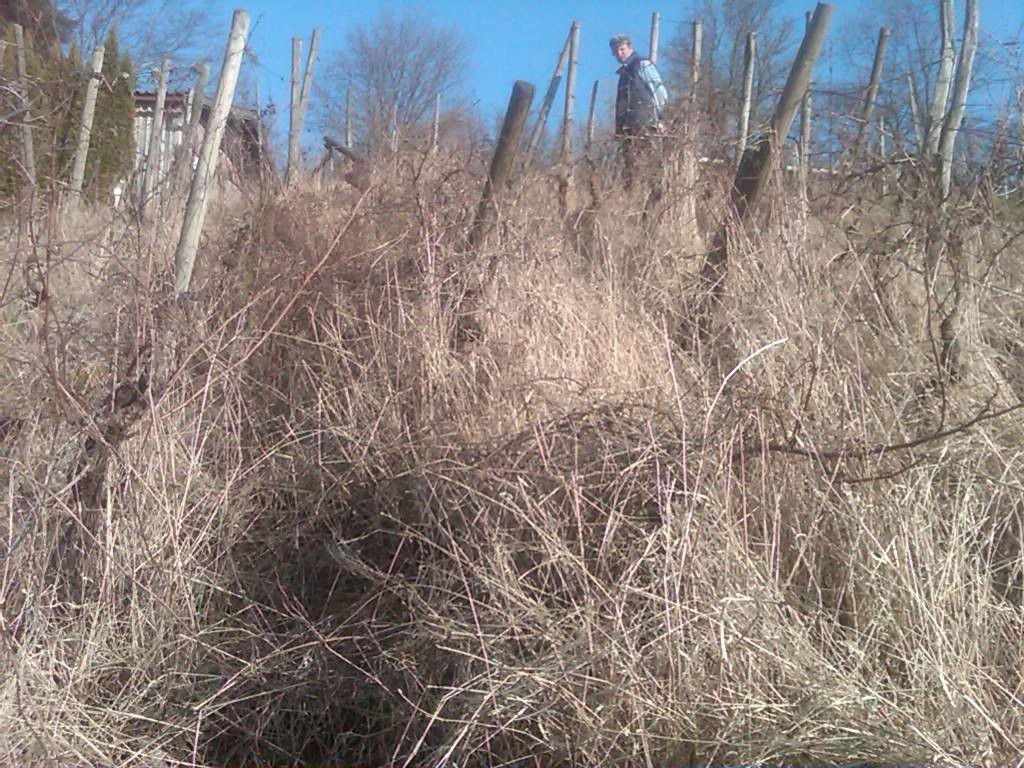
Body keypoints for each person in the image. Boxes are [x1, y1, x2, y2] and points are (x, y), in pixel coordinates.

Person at [610, 33, 668, 188]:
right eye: (615, 51)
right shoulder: (623, 73)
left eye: (621, 49)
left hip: (646, 123)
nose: (618, 54)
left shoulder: (642, 65)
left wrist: (660, 118)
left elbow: (659, 92)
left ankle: (654, 194)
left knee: (649, 165)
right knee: (630, 169)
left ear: (629, 47)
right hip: (627, 128)